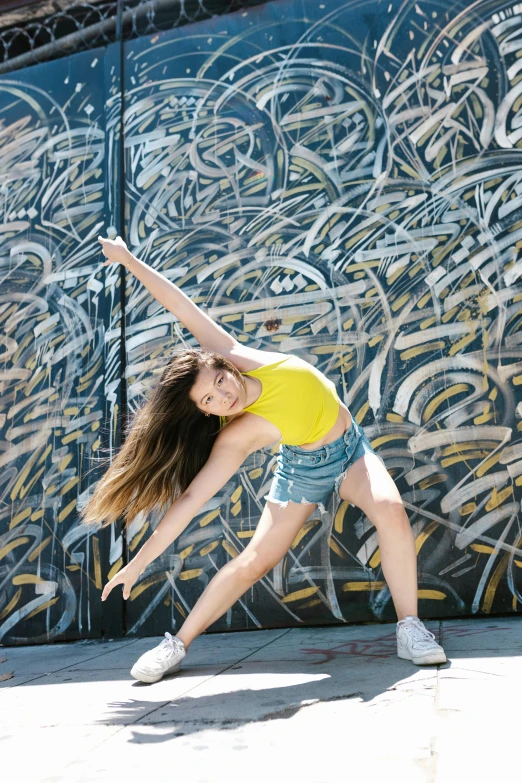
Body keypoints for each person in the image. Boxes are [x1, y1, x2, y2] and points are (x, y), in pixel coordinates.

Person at [82, 235, 447, 684]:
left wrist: (127, 259)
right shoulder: (236, 436)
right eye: (210, 400)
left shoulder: (245, 360)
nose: (223, 395)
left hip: (350, 448)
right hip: (302, 473)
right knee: (256, 561)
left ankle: (410, 629)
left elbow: (180, 307)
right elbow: (192, 498)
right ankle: (176, 644)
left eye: (218, 381)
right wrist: (138, 563)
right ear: (205, 412)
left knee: (390, 510)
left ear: (224, 365)